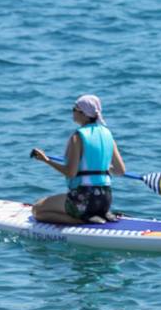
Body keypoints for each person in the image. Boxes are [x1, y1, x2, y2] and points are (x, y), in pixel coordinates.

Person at [31, 94, 126, 225]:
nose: (72, 112)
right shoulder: (108, 134)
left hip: (83, 200)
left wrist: (46, 160)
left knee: (37, 210)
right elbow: (120, 171)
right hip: (105, 200)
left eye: (74, 109)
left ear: (84, 114)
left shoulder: (78, 136)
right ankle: (95, 215)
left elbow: (70, 173)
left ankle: (78, 220)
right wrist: (100, 167)